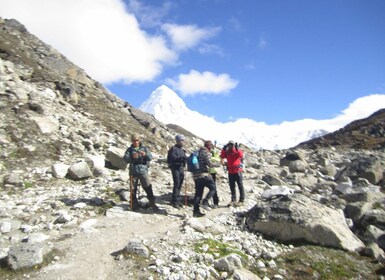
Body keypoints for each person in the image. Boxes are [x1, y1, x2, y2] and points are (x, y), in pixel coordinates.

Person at [123, 133, 159, 212]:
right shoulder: (129, 149)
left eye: (137, 140)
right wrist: (132, 157)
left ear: (139, 140)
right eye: (134, 140)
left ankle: (152, 203)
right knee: (133, 189)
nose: (135, 142)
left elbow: (150, 157)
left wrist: (145, 155)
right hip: (133, 170)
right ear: (131, 141)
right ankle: (133, 204)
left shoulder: (144, 148)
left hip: (143, 170)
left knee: (148, 187)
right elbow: (125, 159)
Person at [192, 140, 217, 217]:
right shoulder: (206, 152)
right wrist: (218, 164)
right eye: (211, 146)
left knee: (198, 194)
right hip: (204, 174)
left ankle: (196, 211)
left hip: (195, 176)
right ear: (209, 146)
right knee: (213, 188)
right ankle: (205, 202)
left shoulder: (197, 151)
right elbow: (209, 164)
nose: (211, 148)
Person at [220, 140, 245, 206]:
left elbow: (241, 155)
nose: (230, 146)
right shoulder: (227, 152)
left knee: (240, 185)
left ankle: (242, 200)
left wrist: (237, 149)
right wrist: (223, 149)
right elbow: (222, 156)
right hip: (231, 171)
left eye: (232, 145)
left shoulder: (236, 151)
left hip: (237, 171)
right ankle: (233, 200)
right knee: (232, 186)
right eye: (229, 145)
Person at [167, 134, 187, 209]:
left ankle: (177, 200)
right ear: (178, 141)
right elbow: (173, 158)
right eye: (182, 140)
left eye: (183, 140)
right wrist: (182, 158)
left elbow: (183, 159)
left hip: (181, 168)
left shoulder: (182, 150)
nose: (183, 142)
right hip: (175, 168)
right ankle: (175, 201)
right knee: (177, 184)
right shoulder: (173, 149)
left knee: (180, 184)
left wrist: (185, 160)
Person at [208, 141, 221, 208]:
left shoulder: (215, 152)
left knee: (213, 187)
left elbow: (218, 159)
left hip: (212, 171)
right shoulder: (207, 151)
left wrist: (211, 157)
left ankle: (215, 202)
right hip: (207, 171)